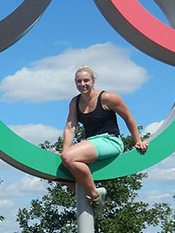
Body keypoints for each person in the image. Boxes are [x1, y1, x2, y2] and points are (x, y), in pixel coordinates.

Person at [60, 65, 148, 205]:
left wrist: (137, 140)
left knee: (68, 157)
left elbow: (128, 117)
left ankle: (95, 195)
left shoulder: (108, 97)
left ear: (93, 81)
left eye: (86, 80)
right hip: (91, 143)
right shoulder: (75, 102)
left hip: (110, 141)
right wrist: (65, 149)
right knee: (59, 165)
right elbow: (71, 127)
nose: (82, 84)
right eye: (78, 81)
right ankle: (87, 197)